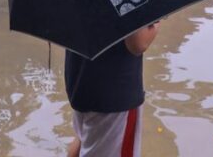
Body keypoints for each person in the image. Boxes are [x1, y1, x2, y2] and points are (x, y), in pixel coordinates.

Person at [65, 21, 160, 157]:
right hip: (115, 93)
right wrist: (158, 19)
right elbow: (138, 43)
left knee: (83, 139)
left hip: (80, 79)